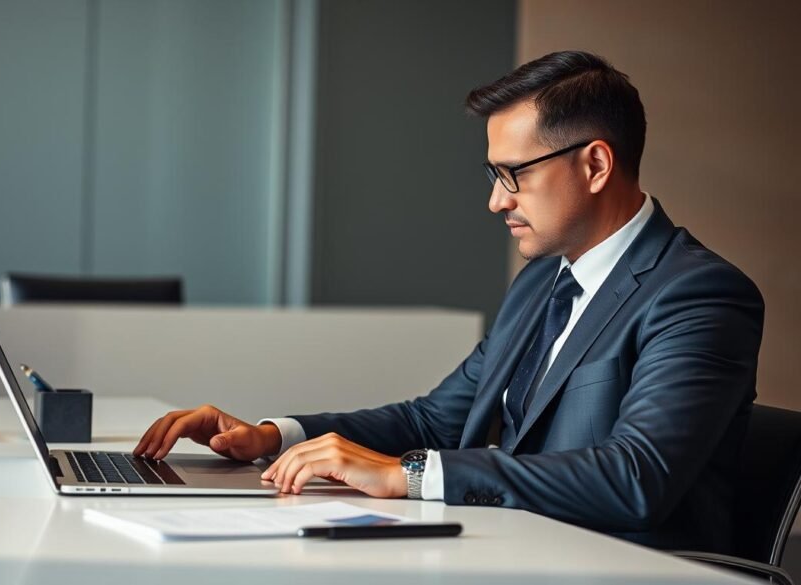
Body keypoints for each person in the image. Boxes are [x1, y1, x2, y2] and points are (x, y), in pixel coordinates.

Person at [134, 51, 764, 552]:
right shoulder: (541, 283)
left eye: (513, 175)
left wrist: (409, 475)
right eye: (493, 177)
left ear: (596, 164)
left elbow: (636, 478)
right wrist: (273, 435)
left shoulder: (698, 294)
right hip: (516, 551)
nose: (497, 202)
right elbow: (433, 421)